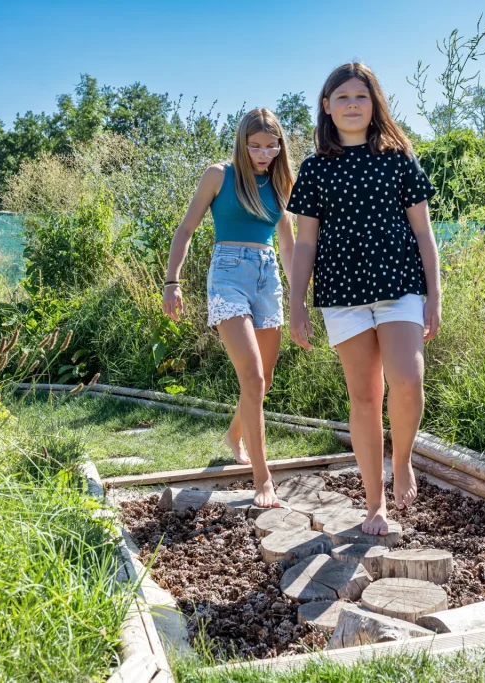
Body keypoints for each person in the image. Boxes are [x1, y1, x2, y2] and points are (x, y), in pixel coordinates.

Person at [287, 62, 442, 534]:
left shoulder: (399, 157)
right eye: (342, 97)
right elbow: (306, 241)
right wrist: (297, 302)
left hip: (400, 287)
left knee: (407, 379)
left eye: (361, 96)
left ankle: (404, 460)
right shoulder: (315, 168)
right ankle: (375, 504)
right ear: (327, 107)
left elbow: (424, 230)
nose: (352, 104)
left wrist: (435, 294)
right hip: (342, 294)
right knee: (364, 396)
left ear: (373, 104)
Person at [163, 108, 295, 508]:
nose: (263, 153)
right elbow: (186, 229)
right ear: (242, 143)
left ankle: (235, 434)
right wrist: (173, 281)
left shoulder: (282, 180)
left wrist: (300, 296)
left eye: (271, 145)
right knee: (252, 379)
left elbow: (287, 244)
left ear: (280, 144)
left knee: (264, 380)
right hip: (227, 275)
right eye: (255, 146)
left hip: (268, 276)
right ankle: (263, 478)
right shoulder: (218, 174)